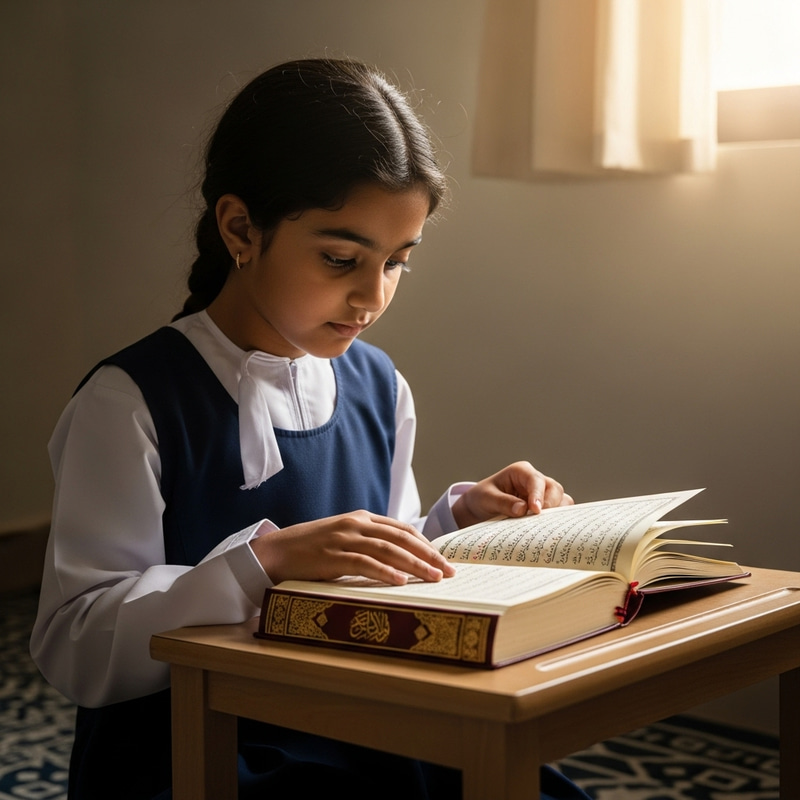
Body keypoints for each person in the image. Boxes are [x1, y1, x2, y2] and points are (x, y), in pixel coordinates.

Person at [30, 58, 590, 800]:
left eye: (397, 263)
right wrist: (260, 566)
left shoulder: (379, 386)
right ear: (240, 228)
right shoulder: (130, 400)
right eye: (340, 258)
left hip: (358, 721)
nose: (371, 296)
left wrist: (456, 521)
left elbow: (375, 580)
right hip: (198, 747)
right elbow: (76, 646)